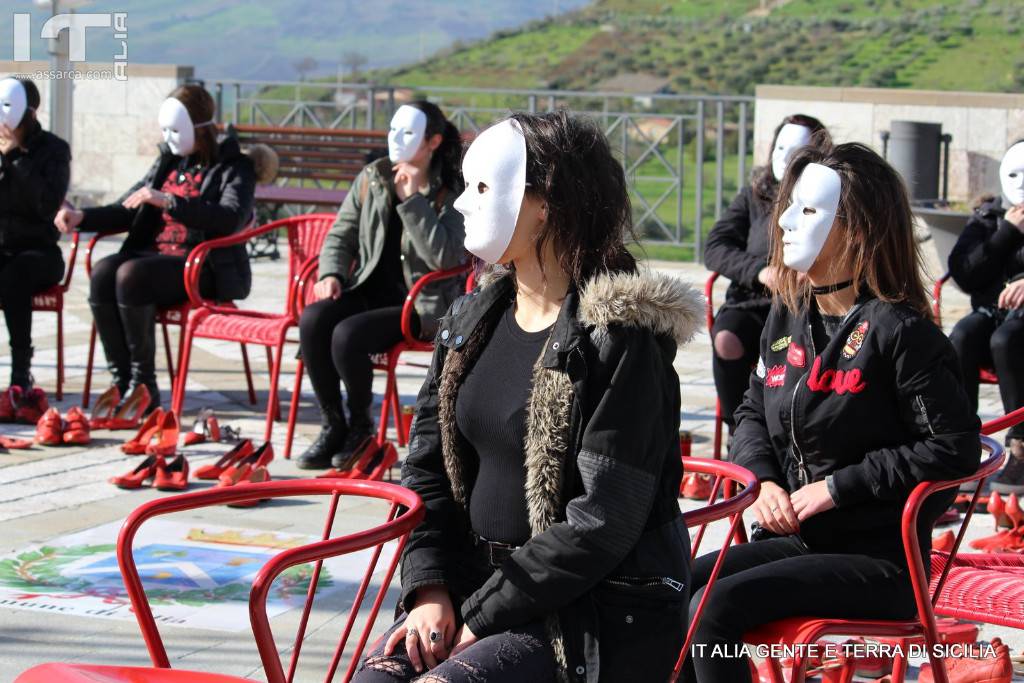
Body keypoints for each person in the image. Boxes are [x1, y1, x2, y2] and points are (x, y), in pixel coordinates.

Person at [353, 112, 700, 683]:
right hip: (470, 588)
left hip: (584, 613)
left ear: (546, 205)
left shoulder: (622, 342)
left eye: (481, 187)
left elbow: (601, 522)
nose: (461, 203)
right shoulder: (470, 320)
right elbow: (425, 470)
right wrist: (430, 588)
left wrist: (479, 616)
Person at [683, 143, 980, 682]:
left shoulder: (901, 332)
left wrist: (838, 488)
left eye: (809, 209)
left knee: (713, 611)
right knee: (671, 586)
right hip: (799, 539)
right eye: (790, 207)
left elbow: (953, 448)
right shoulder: (788, 315)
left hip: (880, 560)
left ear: (858, 230)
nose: (785, 222)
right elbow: (752, 410)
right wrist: (764, 481)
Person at [55, 83, 255, 414]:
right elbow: (128, 207)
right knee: (104, 272)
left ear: (200, 127)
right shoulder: (168, 162)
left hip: (203, 267)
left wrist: (169, 201)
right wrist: (81, 217)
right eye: (165, 130)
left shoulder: (235, 167)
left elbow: (230, 218)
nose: (169, 138)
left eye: (175, 130)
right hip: (158, 260)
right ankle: (122, 380)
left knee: (131, 274)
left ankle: (144, 385)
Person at [296, 101, 466, 471]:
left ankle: (361, 428)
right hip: (368, 289)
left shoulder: (451, 188)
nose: (395, 139)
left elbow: (446, 257)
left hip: (421, 305)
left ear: (433, 141)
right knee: (313, 319)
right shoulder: (373, 176)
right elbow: (341, 233)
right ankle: (334, 425)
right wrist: (331, 274)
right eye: (392, 129)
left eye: (408, 133)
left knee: (346, 335)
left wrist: (413, 201)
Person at [704, 114, 830, 433]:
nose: (783, 158)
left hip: (805, 305)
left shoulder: (824, 200)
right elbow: (716, 246)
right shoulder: (753, 195)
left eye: (795, 151)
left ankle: (790, 431)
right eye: (780, 148)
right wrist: (759, 271)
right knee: (726, 340)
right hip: (752, 301)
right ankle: (739, 431)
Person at [947, 139, 1024, 494]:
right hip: (991, 313)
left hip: (1015, 331)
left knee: (1006, 340)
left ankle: (1020, 447)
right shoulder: (988, 217)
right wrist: (1006, 233)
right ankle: (963, 443)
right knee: (962, 335)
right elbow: (963, 271)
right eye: (1015, 174)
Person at [0, 77, 70, 395]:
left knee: (14, 275)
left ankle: (20, 372)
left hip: (40, 252)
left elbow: (47, 205)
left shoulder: (54, 150)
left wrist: (17, 159)